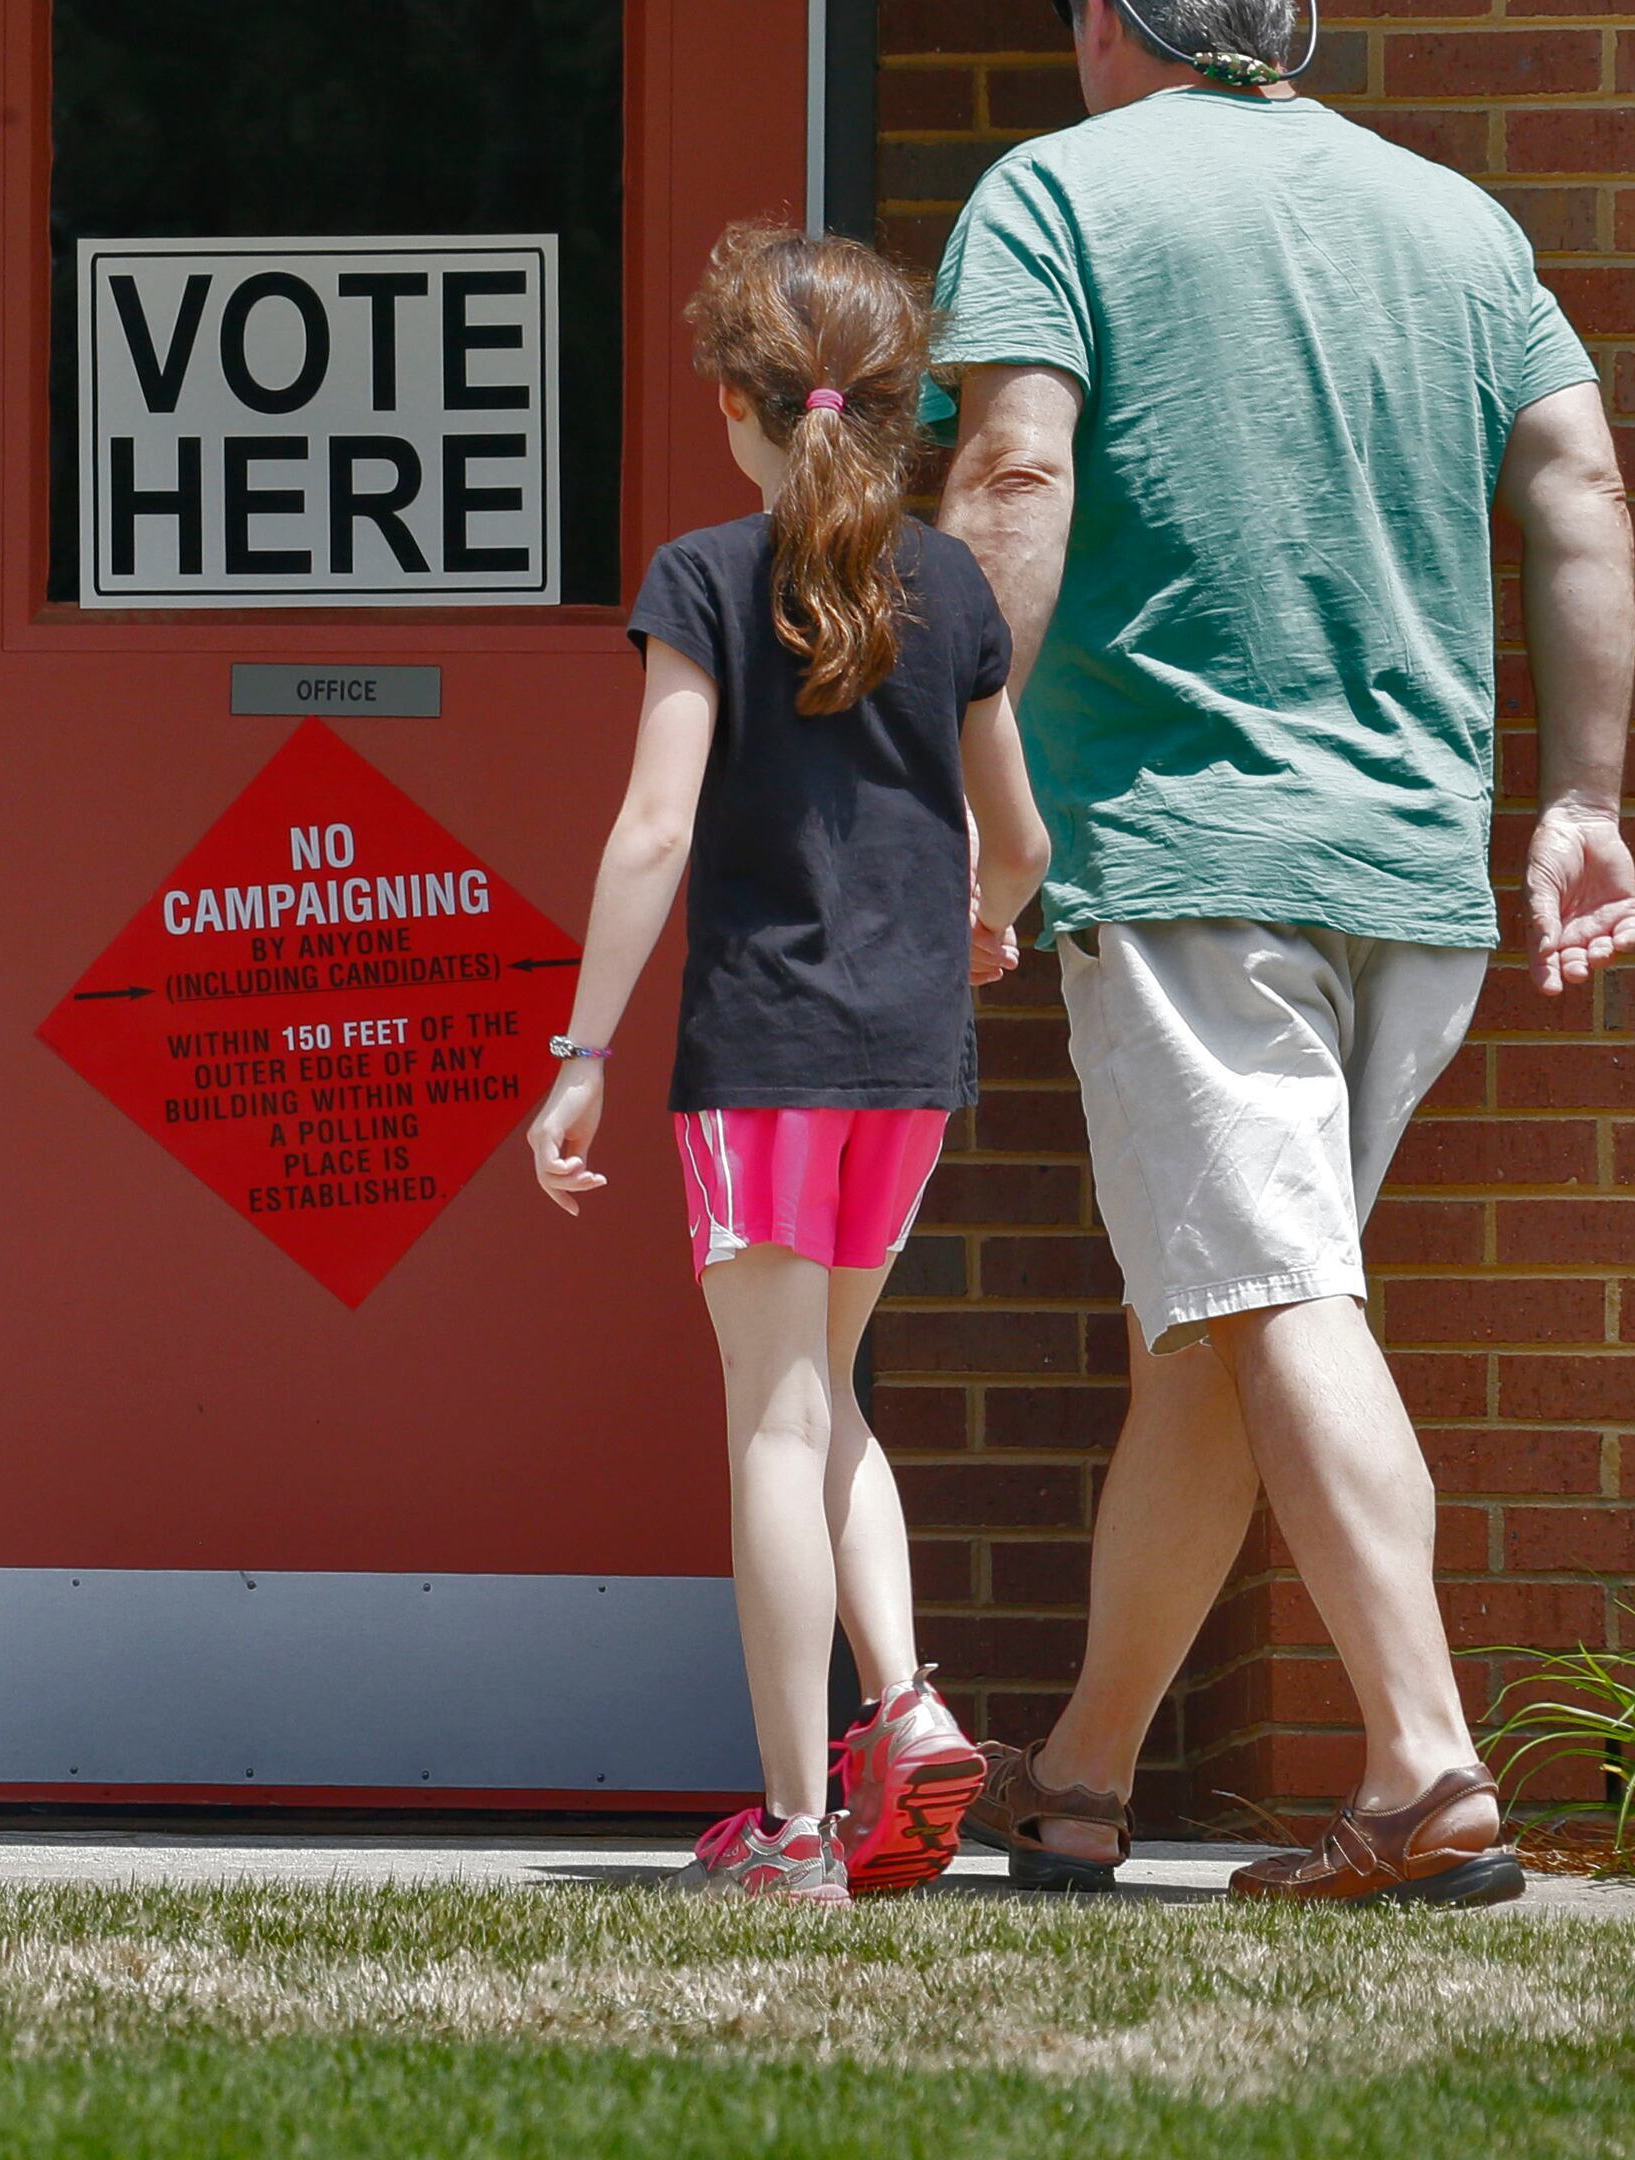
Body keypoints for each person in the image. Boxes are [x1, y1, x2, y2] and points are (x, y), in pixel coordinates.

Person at [931, 0, 1635, 1906]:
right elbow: (1578, 485)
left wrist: (943, 779)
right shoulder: (1455, 219)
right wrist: (1584, 795)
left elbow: (1010, 477)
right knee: (1227, 1320)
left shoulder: (1056, 191)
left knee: (1267, 1290)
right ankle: (1081, 1778)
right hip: (1412, 870)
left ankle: (1421, 1765)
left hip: (1184, 852)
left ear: (1103, 22)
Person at [529, 224, 1053, 1904]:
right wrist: (990, 922)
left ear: (748, 412)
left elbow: (652, 829)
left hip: (760, 1048)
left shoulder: (701, 577)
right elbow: (1020, 836)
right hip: (910, 1054)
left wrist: (578, 1051)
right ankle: (901, 1713)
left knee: (769, 1413)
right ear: (898, 414)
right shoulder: (954, 588)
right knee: (830, 1389)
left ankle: (796, 1827)